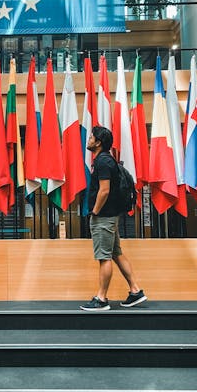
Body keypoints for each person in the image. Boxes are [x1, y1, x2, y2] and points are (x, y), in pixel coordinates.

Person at [80, 126, 147, 311]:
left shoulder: (102, 162)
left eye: (92, 137)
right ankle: (135, 291)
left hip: (104, 217)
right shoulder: (108, 160)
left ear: (98, 142)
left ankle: (101, 298)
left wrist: (94, 211)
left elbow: (104, 190)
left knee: (104, 257)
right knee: (116, 253)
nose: (89, 139)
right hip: (111, 216)